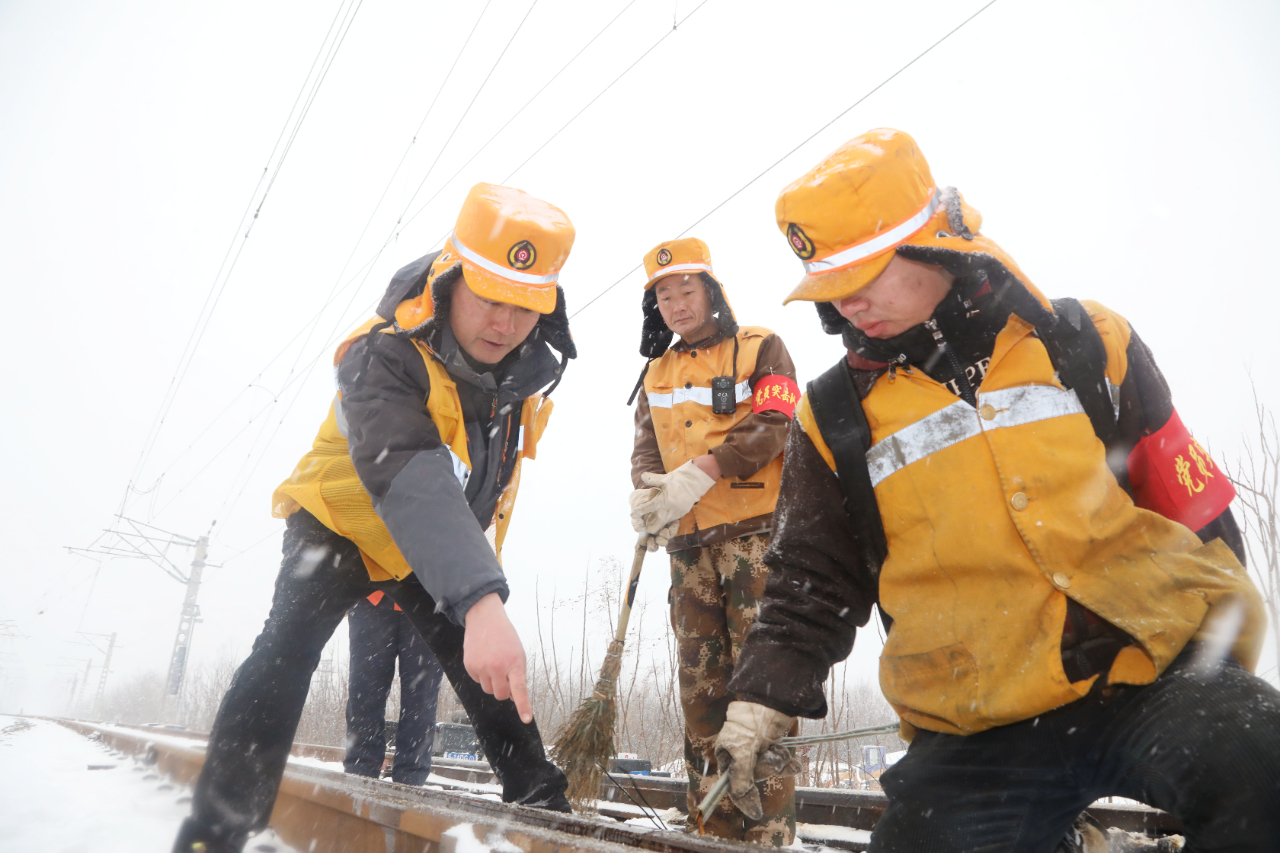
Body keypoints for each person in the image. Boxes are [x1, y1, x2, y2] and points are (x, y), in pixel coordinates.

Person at [714, 129, 1280, 852]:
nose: (848, 304)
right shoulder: (831, 420)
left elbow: (1196, 508)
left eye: (866, 275)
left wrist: (1228, 670)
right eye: (831, 287)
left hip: (1148, 671)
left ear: (934, 244)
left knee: (1266, 768)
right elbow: (809, 581)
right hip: (978, 723)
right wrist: (761, 695)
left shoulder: (1087, 341)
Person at [174, 182, 578, 853]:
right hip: (338, 522)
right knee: (285, 654)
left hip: (429, 547)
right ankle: (212, 832)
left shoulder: (517, 377)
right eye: (489, 298)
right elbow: (413, 473)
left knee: (489, 668)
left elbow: (477, 490)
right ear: (451, 280)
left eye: (525, 307)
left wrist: (476, 599)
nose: (505, 324)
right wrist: (479, 595)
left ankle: (544, 803)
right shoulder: (379, 353)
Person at [628, 238, 801, 846]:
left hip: (756, 540)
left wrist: (703, 469)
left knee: (762, 688)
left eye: (685, 290)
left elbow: (777, 421)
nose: (675, 304)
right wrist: (648, 498)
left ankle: (769, 832)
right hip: (688, 548)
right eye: (663, 296)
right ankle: (711, 827)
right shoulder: (656, 371)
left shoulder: (760, 346)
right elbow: (646, 447)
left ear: (711, 291)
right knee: (701, 690)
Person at [344, 591, 445, 785]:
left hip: (429, 599)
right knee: (364, 691)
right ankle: (359, 773)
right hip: (370, 593)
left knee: (422, 698)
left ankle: (411, 781)